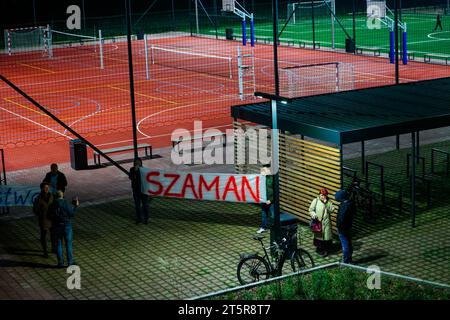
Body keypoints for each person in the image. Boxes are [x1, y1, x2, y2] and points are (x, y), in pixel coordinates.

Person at [48, 191, 79, 267]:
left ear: (55, 197)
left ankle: (60, 263)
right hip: (66, 226)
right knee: (68, 244)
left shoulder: (52, 205)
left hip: (57, 227)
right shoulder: (66, 204)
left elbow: (48, 216)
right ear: (62, 196)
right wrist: (76, 206)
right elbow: (72, 214)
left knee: (58, 244)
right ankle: (70, 262)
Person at [309, 188, 334, 257]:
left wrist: (326, 204)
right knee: (318, 237)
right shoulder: (315, 200)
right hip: (318, 222)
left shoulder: (329, 202)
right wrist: (314, 215)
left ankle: (326, 250)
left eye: (324, 195)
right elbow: (311, 210)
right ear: (319, 195)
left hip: (326, 223)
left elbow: (331, 210)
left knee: (326, 237)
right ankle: (319, 248)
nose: (323, 197)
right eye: (321, 195)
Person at [32, 182, 55, 258]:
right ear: (42, 188)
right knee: (43, 236)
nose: (47, 189)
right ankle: (45, 251)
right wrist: (41, 214)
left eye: (47, 187)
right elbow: (35, 210)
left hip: (51, 219)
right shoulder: (38, 198)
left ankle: (53, 248)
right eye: (45, 187)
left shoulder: (51, 196)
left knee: (53, 235)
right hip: (44, 220)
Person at [335, 189, 356, 264]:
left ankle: (346, 261)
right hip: (348, 226)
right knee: (349, 242)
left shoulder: (344, 206)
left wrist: (338, 226)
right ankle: (349, 259)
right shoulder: (350, 204)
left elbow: (341, 218)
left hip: (342, 228)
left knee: (345, 244)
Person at [129, 158, 149, 224]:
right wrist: (135, 171)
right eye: (136, 162)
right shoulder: (132, 170)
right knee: (137, 206)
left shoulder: (144, 170)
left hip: (143, 191)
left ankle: (146, 219)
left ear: (141, 163)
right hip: (136, 191)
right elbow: (131, 177)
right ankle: (139, 219)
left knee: (145, 206)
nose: (137, 163)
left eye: (138, 162)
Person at [257, 165, 274, 234]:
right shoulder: (260, 179)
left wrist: (271, 200)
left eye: (264, 170)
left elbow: (276, 191)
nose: (262, 172)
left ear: (268, 170)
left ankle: (273, 228)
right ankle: (264, 227)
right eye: (261, 170)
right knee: (264, 215)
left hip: (271, 201)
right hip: (263, 201)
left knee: (272, 215)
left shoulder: (272, 178)